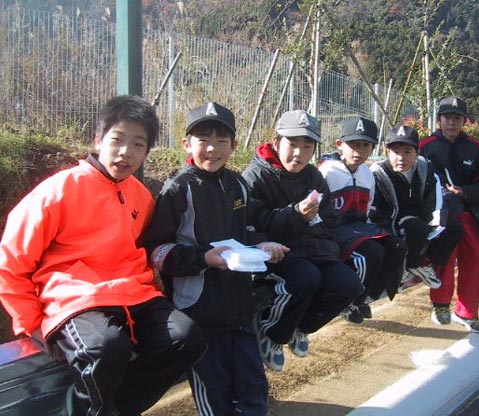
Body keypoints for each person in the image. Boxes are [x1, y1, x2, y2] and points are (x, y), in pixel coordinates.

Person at [0, 95, 206, 416]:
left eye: (138, 144)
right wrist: (32, 323)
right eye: (117, 139)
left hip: (134, 294)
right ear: (98, 140)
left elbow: (147, 251)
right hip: (75, 298)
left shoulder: (141, 196)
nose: (126, 152)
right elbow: (12, 260)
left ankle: (114, 408)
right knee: (107, 348)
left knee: (186, 338)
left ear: (146, 152)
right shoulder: (59, 190)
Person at [142, 102, 288, 415]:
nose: (212, 148)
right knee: (215, 395)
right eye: (203, 139)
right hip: (199, 313)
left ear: (233, 145)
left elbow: (245, 231)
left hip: (239, 308)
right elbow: (156, 250)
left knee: (254, 387)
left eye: (222, 140)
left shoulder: (237, 184)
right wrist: (203, 258)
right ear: (186, 143)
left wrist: (263, 245)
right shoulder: (177, 189)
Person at [242, 109, 363, 371]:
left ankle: (301, 326)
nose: (298, 153)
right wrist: (296, 215)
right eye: (292, 144)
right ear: (276, 142)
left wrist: (310, 222)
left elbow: (329, 219)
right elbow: (255, 224)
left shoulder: (313, 176)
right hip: (273, 253)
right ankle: (272, 332)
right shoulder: (255, 176)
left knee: (349, 284)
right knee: (306, 277)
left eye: (307, 146)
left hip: (311, 249)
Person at [317, 117, 407, 324]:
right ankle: (349, 301)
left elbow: (367, 209)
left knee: (397, 246)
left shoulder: (367, 173)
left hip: (358, 227)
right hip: (332, 228)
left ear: (373, 148)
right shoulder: (326, 171)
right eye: (353, 144)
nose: (359, 150)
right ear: (339, 145)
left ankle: (365, 297)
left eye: (365, 145)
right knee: (370, 253)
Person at [419, 96, 479, 334]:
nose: (451, 123)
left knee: (476, 261)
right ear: (439, 119)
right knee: (445, 256)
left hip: (470, 212)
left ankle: (468, 312)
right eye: (447, 118)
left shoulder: (475, 148)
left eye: (457, 118)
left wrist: (464, 192)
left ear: (464, 121)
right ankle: (441, 304)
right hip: (440, 213)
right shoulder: (425, 146)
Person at [369, 125, 463, 297]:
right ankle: (406, 267)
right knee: (415, 227)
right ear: (387, 152)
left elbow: (435, 201)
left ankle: (423, 263)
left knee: (454, 227)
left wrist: (433, 227)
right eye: (395, 152)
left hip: (420, 220)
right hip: (393, 224)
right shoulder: (377, 173)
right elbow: (374, 211)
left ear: (417, 152)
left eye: (407, 152)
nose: (401, 158)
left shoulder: (425, 168)